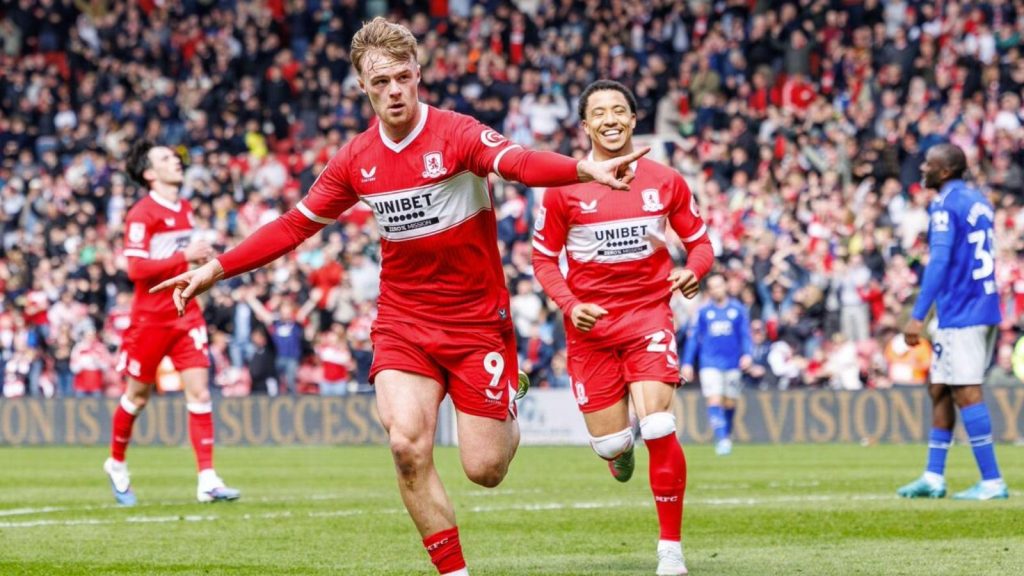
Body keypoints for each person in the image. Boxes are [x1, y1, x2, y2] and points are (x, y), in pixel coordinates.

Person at [153, 19, 647, 576]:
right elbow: (295, 225)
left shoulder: (456, 133)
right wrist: (217, 268)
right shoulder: (356, 159)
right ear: (363, 87)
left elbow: (517, 163)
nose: (393, 90)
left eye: (402, 77)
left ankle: (510, 391)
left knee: (485, 470)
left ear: (418, 75)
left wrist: (581, 168)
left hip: (476, 323)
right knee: (406, 446)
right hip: (404, 323)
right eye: (380, 80)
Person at [531, 80, 714, 576]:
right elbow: (543, 259)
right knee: (612, 444)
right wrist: (570, 305)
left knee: (658, 424)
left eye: (619, 111)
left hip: (648, 315)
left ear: (633, 120)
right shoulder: (563, 189)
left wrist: (692, 272)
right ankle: (619, 451)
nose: (610, 119)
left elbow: (701, 245)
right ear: (586, 125)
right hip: (590, 328)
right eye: (599, 113)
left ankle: (670, 550)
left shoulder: (666, 180)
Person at [103, 141, 240, 506]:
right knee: (138, 397)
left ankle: (207, 480)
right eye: (165, 158)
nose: (175, 161)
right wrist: (185, 254)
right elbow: (135, 269)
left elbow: (182, 262)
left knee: (199, 392)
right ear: (149, 173)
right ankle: (116, 464)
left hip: (186, 314)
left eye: (174, 156)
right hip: (149, 319)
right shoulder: (141, 214)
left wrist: (196, 264)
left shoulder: (184, 208)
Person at [898, 143, 1009, 501]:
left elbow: (940, 261)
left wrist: (918, 315)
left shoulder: (945, 204)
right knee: (940, 387)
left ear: (945, 171)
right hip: (980, 304)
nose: (922, 170)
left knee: (966, 390)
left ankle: (992, 481)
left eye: (929, 165)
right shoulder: (978, 201)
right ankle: (933, 476)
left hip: (962, 310)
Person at [681, 273, 752, 456]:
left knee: (729, 402)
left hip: (732, 363)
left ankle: (726, 435)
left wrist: (748, 355)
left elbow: (745, 335)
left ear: (726, 286)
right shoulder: (703, 312)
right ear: (709, 290)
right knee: (714, 399)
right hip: (709, 363)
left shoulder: (738, 310)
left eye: (719, 285)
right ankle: (721, 439)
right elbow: (694, 339)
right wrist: (687, 363)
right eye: (712, 287)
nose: (716, 289)